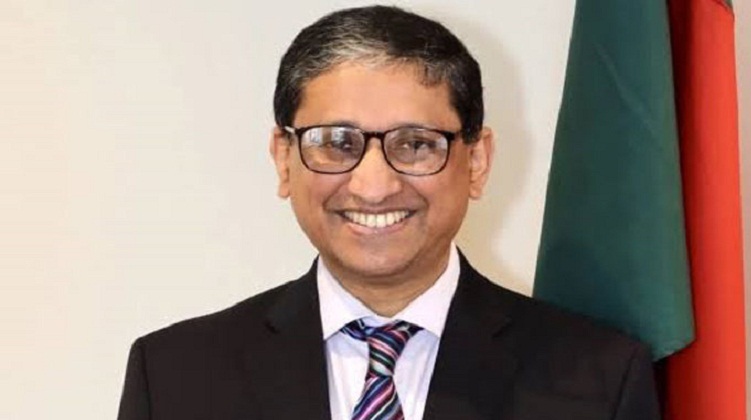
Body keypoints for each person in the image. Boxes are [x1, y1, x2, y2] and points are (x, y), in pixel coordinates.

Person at [117, 5, 660, 420]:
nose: (374, 187)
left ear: (476, 161)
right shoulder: (174, 377)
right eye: (337, 143)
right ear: (284, 160)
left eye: (416, 144)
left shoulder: (600, 380)